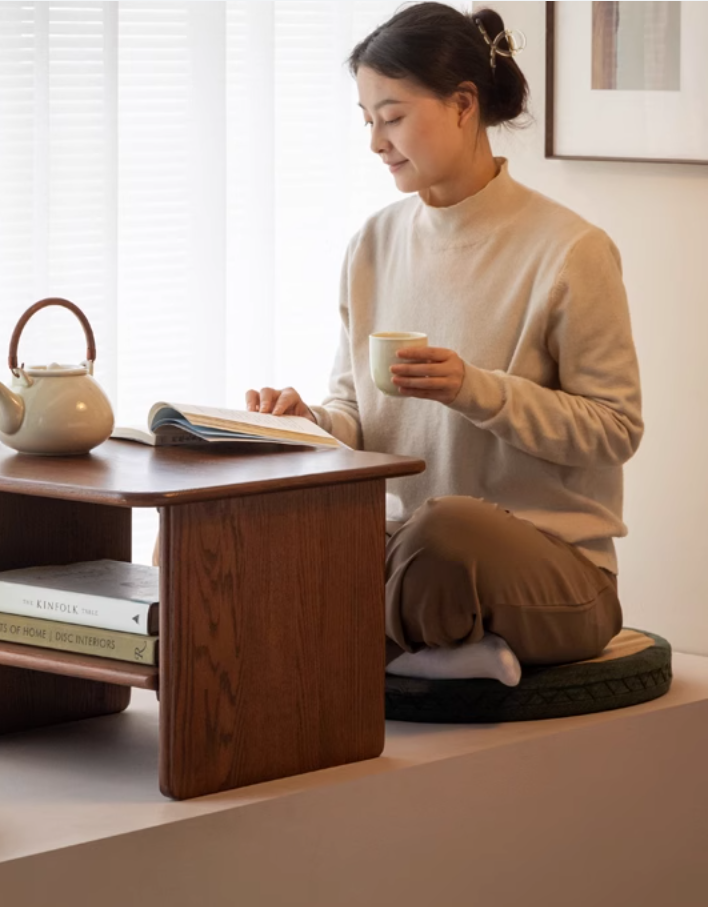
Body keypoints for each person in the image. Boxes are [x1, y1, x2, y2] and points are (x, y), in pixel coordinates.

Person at [241, 2, 643, 683]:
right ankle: (436, 650)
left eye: (392, 116)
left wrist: (472, 388)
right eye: (367, 120)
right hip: (402, 551)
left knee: (444, 531)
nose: (375, 142)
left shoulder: (572, 250)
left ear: (463, 105)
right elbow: (358, 415)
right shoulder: (373, 244)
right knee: (239, 515)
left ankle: (362, 637)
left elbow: (616, 428)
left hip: (549, 572)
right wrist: (309, 423)